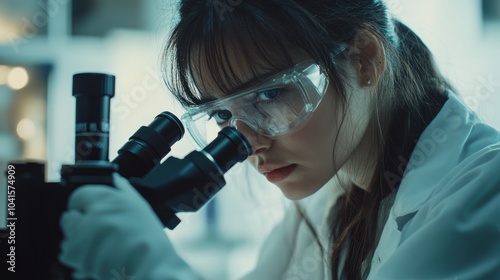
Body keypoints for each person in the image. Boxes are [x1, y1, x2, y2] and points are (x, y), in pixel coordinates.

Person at [59, 0, 500, 279]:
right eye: (222, 115)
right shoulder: (326, 204)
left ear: (365, 59)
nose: (248, 143)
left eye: (269, 95)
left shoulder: (486, 188)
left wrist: (147, 263)